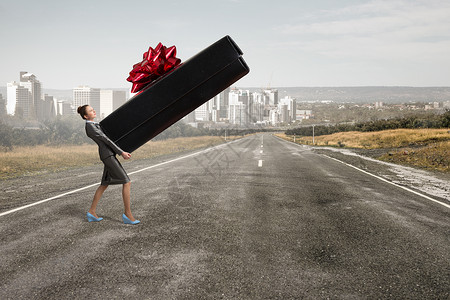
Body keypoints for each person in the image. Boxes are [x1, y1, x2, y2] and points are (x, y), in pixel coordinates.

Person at [77, 104, 140, 225]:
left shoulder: (95, 125)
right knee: (126, 182)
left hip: (108, 155)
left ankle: (92, 212)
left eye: (93, 108)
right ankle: (128, 214)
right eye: (90, 110)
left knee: (104, 184)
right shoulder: (90, 127)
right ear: (85, 116)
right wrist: (121, 152)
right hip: (108, 156)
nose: (93, 110)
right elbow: (106, 140)